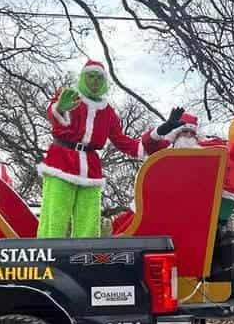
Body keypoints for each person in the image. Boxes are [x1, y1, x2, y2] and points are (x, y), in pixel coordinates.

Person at [37, 60, 162, 238]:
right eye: (90, 77)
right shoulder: (70, 96)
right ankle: (47, 255)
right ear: (82, 78)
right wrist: (59, 108)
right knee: (56, 214)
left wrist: (155, 143)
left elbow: (121, 139)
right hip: (61, 161)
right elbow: (53, 111)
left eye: (99, 78)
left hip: (90, 167)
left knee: (89, 217)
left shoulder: (107, 111)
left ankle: (86, 259)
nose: (94, 82)